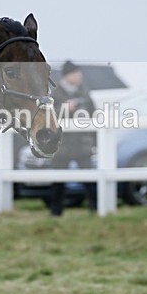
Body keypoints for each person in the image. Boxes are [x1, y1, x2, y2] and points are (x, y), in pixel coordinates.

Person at [47, 61, 97, 216]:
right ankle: (56, 211)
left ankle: (96, 207)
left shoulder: (84, 91)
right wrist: (65, 108)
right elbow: (48, 113)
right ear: (67, 76)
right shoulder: (55, 93)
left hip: (82, 143)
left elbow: (93, 112)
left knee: (89, 179)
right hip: (62, 144)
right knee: (58, 181)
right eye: (76, 73)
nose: (79, 76)